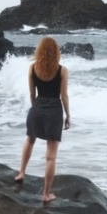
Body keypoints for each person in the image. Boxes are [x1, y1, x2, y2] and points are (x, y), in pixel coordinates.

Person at [14, 37, 71, 203]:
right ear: (56, 52)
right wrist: (68, 115)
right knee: (51, 156)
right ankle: (46, 194)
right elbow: (64, 96)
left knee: (30, 140)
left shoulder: (33, 68)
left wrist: (35, 109)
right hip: (54, 111)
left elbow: (32, 94)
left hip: (37, 108)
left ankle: (21, 173)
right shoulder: (62, 70)